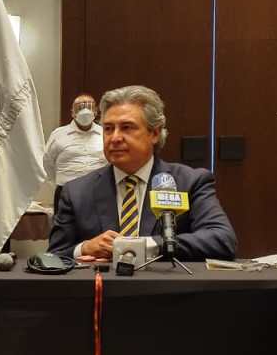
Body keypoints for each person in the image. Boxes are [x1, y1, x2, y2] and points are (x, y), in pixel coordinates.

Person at [47, 85, 236, 261]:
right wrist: (84, 248)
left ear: (154, 133)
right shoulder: (76, 192)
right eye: (108, 129)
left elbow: (221, 239)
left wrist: (147, 245)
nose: (115, 138)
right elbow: (53, 256)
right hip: (101, 285)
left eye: (127, 128)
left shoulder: (189, 182)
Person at [43, 92, 107, 212]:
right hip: (65, 191)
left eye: (89, 106)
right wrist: (60, 183)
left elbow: (111, 162)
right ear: (72, 112)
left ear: (96, 111)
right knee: (64, 224)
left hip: (99, 191)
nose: (85, 111)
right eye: (80, 107)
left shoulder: (105, 134)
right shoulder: (58, 134)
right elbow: (47, 163)